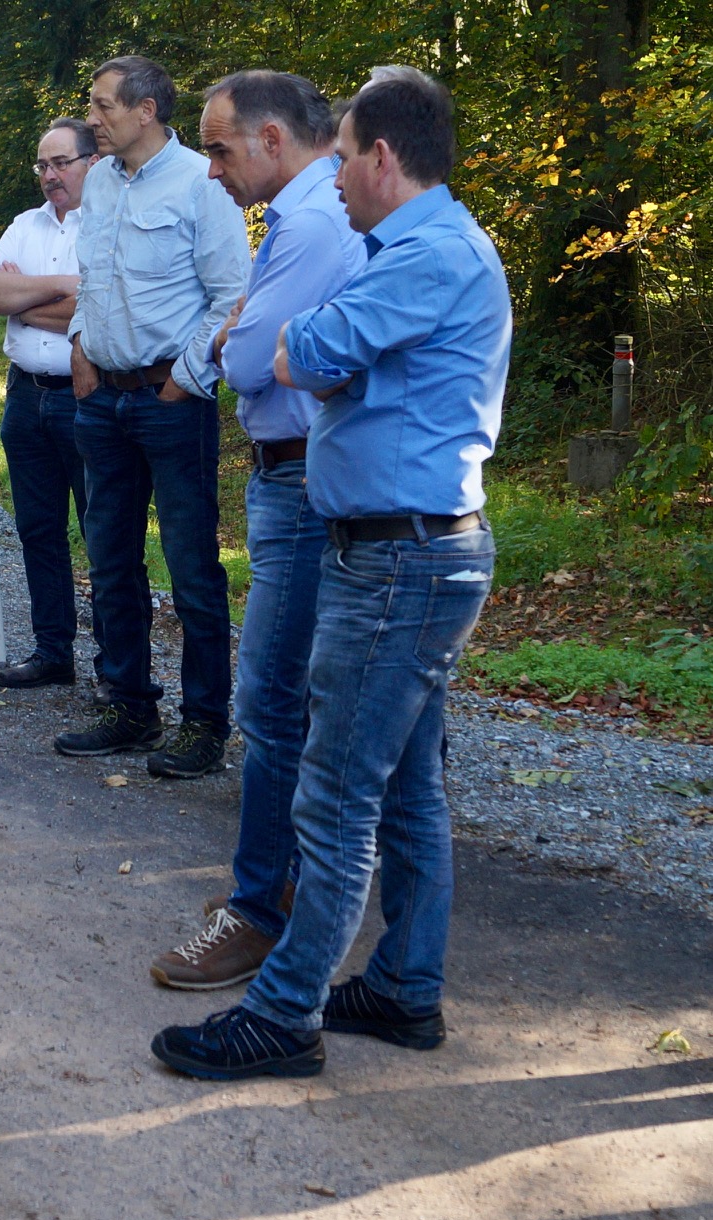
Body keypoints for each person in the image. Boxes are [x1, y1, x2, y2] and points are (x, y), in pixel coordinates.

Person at [152, 67, 508, 1079]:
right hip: (402, 547)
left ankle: (282, 1010)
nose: (334, 177)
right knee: (398, 787)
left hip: (400, 557)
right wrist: (284, 342)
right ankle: (402, 985)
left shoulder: (422, 252)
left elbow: (299, 351)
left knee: (338, 788)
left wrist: (285, 340)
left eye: (344, 157)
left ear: (381, 160)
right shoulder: (409, 246)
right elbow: (299, 349)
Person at [147, 70, 366, 991]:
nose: (210, 170)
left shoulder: (313, 227)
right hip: (296, 480)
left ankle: (259, 910)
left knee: (271, 703)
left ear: (274, 139)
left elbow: (239, 358)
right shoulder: (303, 218)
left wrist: (233, 339)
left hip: (306, 488)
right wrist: (235, 339)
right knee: (297, 702)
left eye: (221, 147)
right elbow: (239, 348)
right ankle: (286, 887)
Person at [58, 55, 247, 778]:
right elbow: (94, 274)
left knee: (192, 568)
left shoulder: (202, 184)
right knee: (108, 560)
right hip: (101, 401)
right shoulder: (99, 181)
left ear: (146, 111)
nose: (93, 118)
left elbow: (229, 293)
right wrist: (79, 341)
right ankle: (129, 705)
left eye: (104, 105)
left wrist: (186, 381)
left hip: (170, 403)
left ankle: (204, 723)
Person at [0, 116, 103, 691]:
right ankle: (53, 651)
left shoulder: (111, 223)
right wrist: (66, 288)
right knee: (37, 529)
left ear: (92, 163)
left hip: (86, 398)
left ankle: (115, 666)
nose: (49, 176)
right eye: (42, 165)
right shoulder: (25, 224)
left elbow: (104, 302)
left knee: (103, 532)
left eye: (60, 163)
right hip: (25, 397)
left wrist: (22, 299)